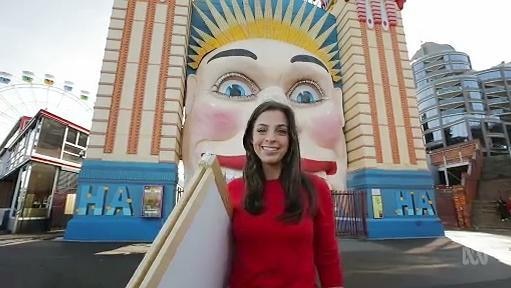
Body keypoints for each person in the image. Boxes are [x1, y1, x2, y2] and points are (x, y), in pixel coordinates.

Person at [227, 101, 343, 288]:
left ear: (291, 140)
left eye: (281, 131)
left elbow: (326, 252)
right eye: (262, 130)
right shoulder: (232, 190)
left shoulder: (316, 188)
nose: (270, 138)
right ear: (250, 138)